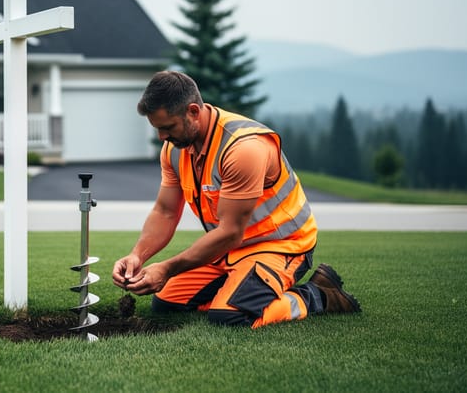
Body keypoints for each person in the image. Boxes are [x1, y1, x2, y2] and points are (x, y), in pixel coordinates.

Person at [112, 71, 360, 328]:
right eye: (157, 129)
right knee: (166, 304)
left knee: (230, 317)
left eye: (168, 127)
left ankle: (317, 295)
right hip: (228, 249)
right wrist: (137, 256)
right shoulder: (174, 149)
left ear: (194, 111)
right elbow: (165, 212)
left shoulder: (244, 149)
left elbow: (230, 232)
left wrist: (166, 269)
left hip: (280, 246)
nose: (162, 137)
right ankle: (238, 290)